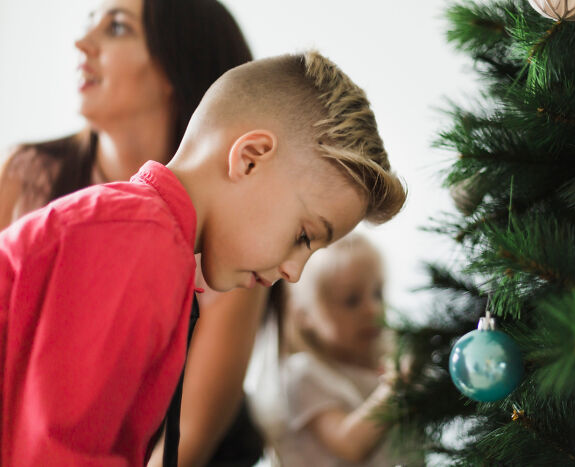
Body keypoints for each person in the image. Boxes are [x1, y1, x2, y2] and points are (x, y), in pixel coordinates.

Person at [0, 51, 407, 465]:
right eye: (303, 236)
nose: (295, 272)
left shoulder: (148, 239)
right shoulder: (136, 242)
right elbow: (55, 454)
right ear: (249, 159)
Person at [0, 1, 269, 464]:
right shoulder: (25, 174)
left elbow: (188, 443)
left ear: (174, 66)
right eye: (89, 25)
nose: (82, 44)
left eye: (117, 28)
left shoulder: (235, 231)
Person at [272, 233, 405, 466]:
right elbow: (350, 446)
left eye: (378, 293)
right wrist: (398, 385)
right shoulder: (305, 374)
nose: (372, 310)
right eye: (351, 300)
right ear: (305, 315)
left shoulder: (388, 356)